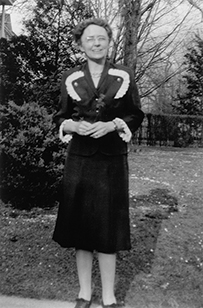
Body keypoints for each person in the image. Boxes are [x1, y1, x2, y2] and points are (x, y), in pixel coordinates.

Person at [52, 18, 144, 308]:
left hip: (111, 161)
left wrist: (113, 124)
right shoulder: (70, 77)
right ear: (81, 44)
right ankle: (84, 294)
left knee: (107, 228)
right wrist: (72, 126)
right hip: (79, 160)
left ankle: (108, 296)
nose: (96, 43)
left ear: (109, 41)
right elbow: (60, 116)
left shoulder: (123, 74)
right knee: (81, 229)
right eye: (90, 39)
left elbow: (136, 114)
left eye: (101, 38)